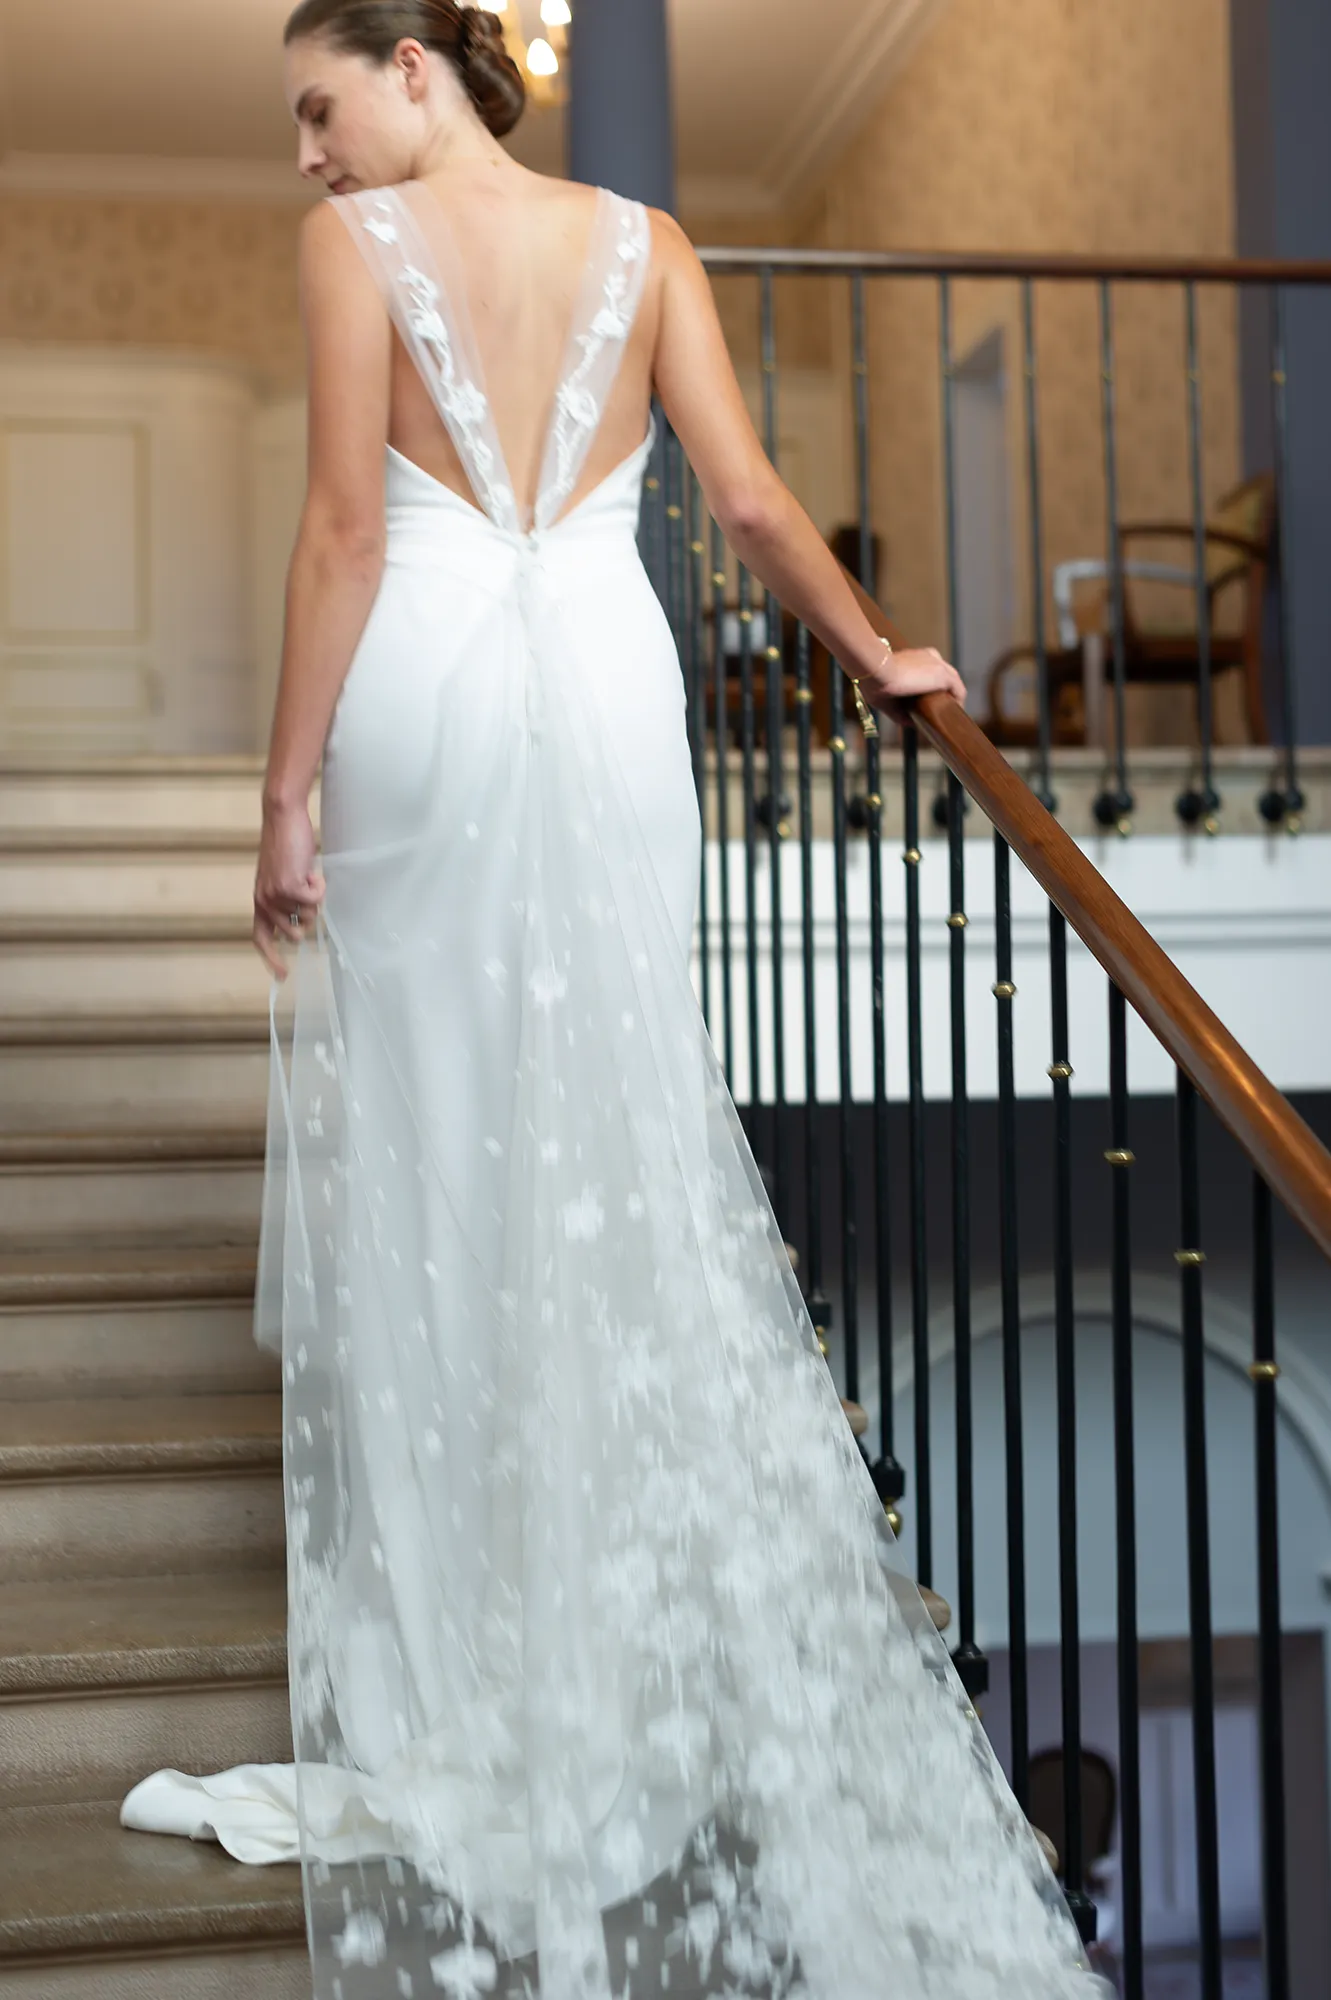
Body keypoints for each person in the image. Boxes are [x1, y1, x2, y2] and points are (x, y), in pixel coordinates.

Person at [122, 7, 1112, 1997]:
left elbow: (342, 534)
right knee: (605, 1142)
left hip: (421, 702)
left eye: (317, 108)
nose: (307, 154)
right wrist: (879, 651)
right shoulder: (645, 240)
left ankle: (476, 1654)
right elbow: (745, 505)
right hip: (607, 691)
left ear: (414, 68)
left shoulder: (352, 248)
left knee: (440, 1170)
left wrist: (282, 795)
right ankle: (594, 1640)